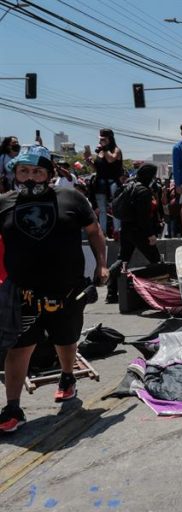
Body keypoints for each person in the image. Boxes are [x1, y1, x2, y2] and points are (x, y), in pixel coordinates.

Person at [0, 146, 108, 433]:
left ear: (48, 174)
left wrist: (101, 264)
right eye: (24, 171)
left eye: (37, 171)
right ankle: (12, 408)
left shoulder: (71, 197)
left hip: (67, 290)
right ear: (16, 174)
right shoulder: (4, 203)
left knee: (67, 340)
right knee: (18, 349)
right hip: (23, 293)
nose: (30, 178)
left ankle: (68, 377)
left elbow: (95, 230)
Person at [105, 164, 163, 303]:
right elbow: (143, 217)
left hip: (126, 228)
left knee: (122, 259)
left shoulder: (128, 185)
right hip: (139, 231)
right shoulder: (143, 191)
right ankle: (162, 292)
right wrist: (150, 235)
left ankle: (111, 294)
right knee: (156, 260)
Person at [84, 128, 123, 237]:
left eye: (103, 139)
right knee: (102, 210)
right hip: (100, 182)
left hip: (112, 182)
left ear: (109, 138)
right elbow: (97, 168)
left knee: (114, 208)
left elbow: (111, 159)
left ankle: (117, 231)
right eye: (100, 139)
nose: (101, 141)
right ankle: (103, 233)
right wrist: (89, 161)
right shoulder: (100, 151)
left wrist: (105, 148)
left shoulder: (116, 150)